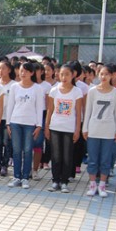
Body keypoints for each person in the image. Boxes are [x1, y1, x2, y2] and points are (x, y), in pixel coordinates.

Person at [83, 64, 116, 197]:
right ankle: (93, 184)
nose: (103, 76)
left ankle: (102, 185)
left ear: (112, 76)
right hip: (94, 129)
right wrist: (85, 128)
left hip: (109, 130)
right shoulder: (92, 91)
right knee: (93, 158)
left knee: (105, 159)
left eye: (106, 74)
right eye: (101, 74)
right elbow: (88, 111)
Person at [45, 64, 83, 193]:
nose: (64, 77)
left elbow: (78, 113)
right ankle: (55, 180)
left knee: (67, 156)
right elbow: (50, 110)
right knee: (56, 155)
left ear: (73, 75)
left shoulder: (77, 92)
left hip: (69, 128)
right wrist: (46, 127)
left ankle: (64, 181)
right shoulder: (54, 90)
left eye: (67, 74)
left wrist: (78, 129)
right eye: (61, 74)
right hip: (55, 126)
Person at [6, 62, 44, 189]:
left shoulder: (37, 88)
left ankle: (25, 177)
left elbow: (39, 107)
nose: (23, 73)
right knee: (16, 150)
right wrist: (8, 123)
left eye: (26, 71)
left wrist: (39, 125)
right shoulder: (14, 87)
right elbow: (10, 105)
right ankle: (17, 176)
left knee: (28, 150)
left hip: (30, 123)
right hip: (15, 122)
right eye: (21, 71)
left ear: (32, 73)